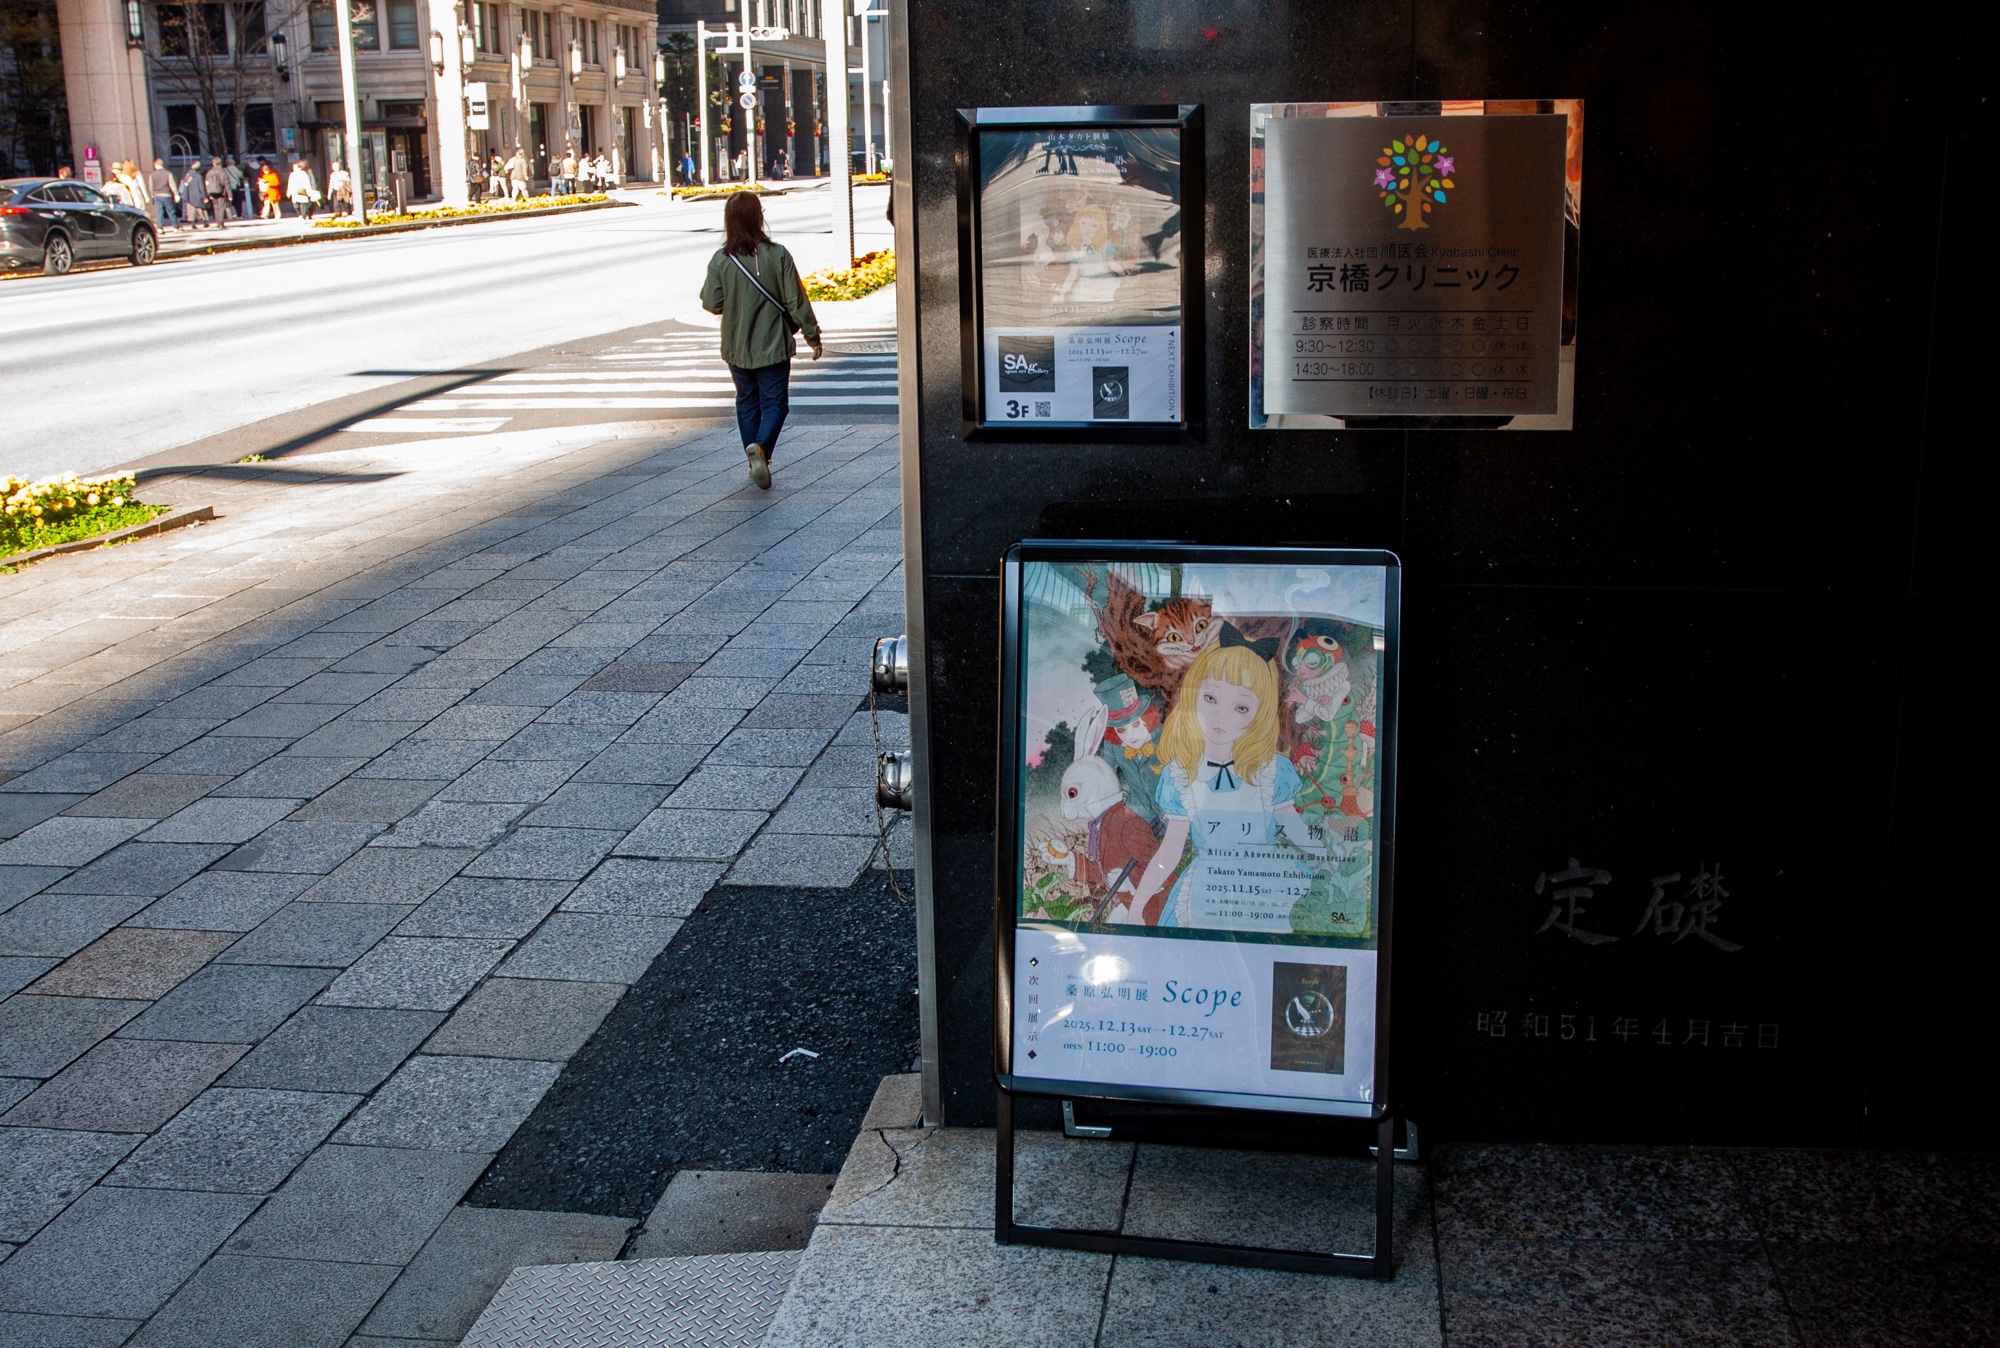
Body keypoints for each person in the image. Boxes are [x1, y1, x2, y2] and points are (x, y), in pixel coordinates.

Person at [1125, 631, 1329, 931]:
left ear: (1259, 714)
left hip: (1267, 888)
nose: (1221, 717)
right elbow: (1170, 850)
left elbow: (1295, 829)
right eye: (1210, 698)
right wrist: (1138, 905)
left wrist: (1334, 860)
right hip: (1208, 893)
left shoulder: (1271, 770)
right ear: (1193, 696)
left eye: (1241, 708)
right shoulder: (1180, 774)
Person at [700, 192, 822, 490]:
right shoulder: (778, 255)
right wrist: (812, 335)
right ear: (758, 217)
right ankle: (762, 450)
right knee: (775, 404)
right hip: (773, 345)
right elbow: (795, 301)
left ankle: (754, 458)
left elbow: (712, 302)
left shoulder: (721, 259)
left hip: (736, 346)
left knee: (746, 401)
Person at [178, 159, 208, 227]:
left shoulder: (188, 175)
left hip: (189, 195)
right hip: (197, 195)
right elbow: (201, 187)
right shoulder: (199, 176)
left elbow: (185, 184)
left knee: (191, 210)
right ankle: (204, 222)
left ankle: (192, 224)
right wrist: (204, 197)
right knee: (200, 209)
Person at [149, 158, 178, 227]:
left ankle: (160, 227)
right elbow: (172, 184)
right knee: (171, 211)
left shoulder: (152, 174)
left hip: (157, 195)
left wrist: (152, 194)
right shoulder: (168, 173)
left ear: (156, 165)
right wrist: (176, 194)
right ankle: (175, 226)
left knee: (159, 212)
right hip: (166, 194)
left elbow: (151, 186)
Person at [203, 158, 232, 227]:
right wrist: (230, 195)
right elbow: (227, 184)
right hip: (221, 192)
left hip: (212, 192)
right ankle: (221, 222)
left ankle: (217, 222)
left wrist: (208, 193)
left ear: (213, 164)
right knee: (221, 207)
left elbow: (206, 183)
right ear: (221, 163)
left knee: (215, 207)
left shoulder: (209, 173)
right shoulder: (223, 172)